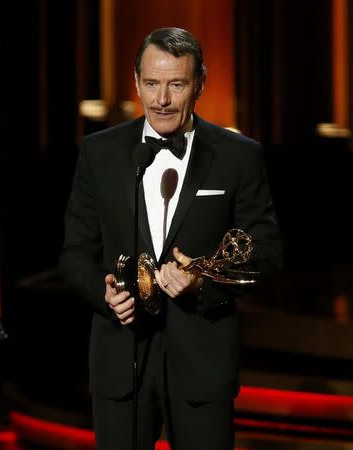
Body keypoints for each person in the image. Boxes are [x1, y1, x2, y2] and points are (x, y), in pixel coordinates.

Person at [60, 27, 283, 450]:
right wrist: (103, 294)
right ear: (136, 82)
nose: (162, 99)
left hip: (202, 361)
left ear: (200, 83)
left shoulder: (239, 156)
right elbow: (74, 254)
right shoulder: (99, 153)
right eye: (151, 83)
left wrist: (204, 283)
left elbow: (268, 254)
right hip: (120, 359)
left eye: (176, 84)